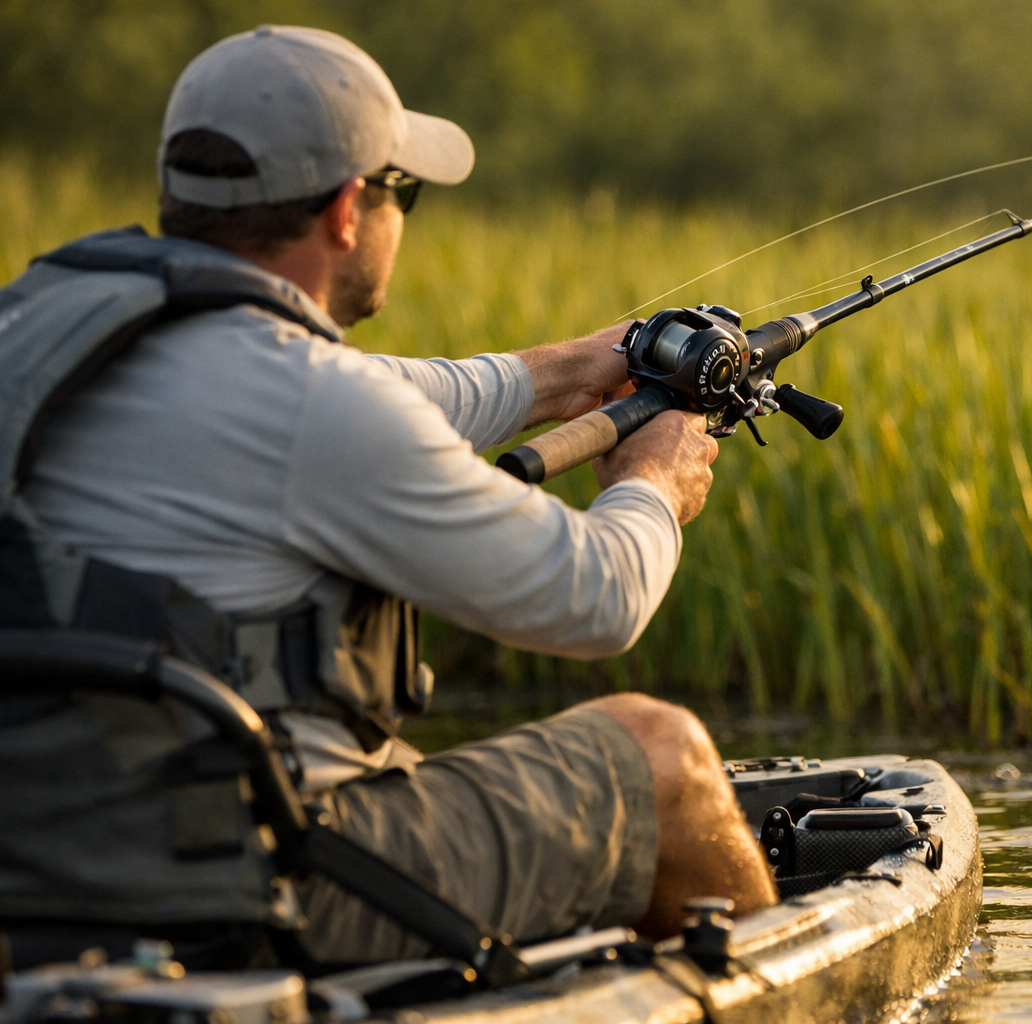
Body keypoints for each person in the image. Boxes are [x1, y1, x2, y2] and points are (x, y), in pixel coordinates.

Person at [0, 25, 774, 966]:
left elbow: (382, 402)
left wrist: (580, 367)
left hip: (37, 855)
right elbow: (595, 600)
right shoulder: (314, 405)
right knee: (665, 757)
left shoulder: (44, 331)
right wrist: (656, 477)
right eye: (402, 189)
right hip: (242, 880)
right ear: (344, 212)